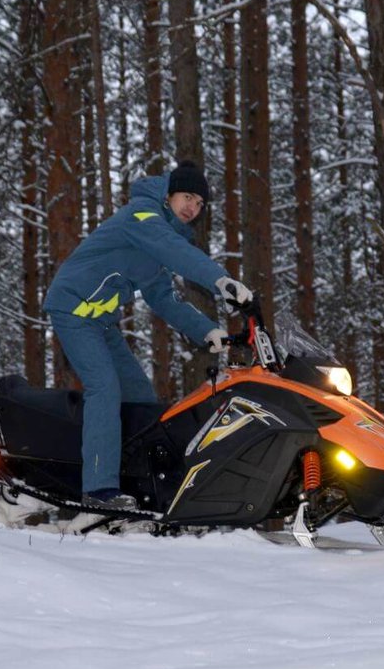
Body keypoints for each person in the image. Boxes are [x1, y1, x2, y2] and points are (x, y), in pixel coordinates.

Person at [43, 160, 253, 511]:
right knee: (104, 388)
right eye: (187, 197)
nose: (192, 207)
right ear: (168, 193)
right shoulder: (142, 216)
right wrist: (220, 280)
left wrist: (208, 331)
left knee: (139, 394)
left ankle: (132, 479)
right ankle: (98, 490)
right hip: (72, 310)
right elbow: (176, 251)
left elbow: (164, 298)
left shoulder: (155, 247)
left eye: (199, 204)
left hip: (101, 323)